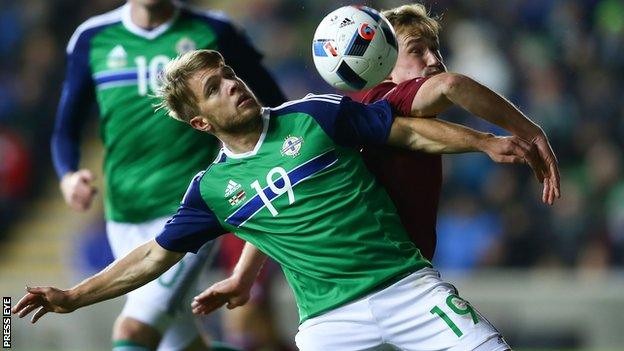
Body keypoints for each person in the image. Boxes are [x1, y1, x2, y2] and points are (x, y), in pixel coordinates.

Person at [16, 50, 551, 350]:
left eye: (228, 74)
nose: (232, 84)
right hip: (328, 322)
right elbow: (155, 255)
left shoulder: (313, 115)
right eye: (214, 87)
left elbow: (408, 133)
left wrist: (484, 142)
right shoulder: (212, 191)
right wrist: (72, 297)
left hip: (409, 288)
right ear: (202, 122)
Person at [51, 0, 285, 349]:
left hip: (192, 210)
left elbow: (272, 106)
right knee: (178, 343)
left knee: (134, 329)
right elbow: (66, 127)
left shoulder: (214, 30)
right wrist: (68, 174)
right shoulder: (92, 37)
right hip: (124, 212)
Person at [351, 3, 560, 261]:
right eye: (417, 50)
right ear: (383, 64)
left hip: (396, 266)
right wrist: (533, 134)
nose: (435, 60)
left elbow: (420, 133)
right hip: (387, 270)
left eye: (436, 49)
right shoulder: (384, 98)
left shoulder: (391, 111)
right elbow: (452, 85)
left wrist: (486, 143)